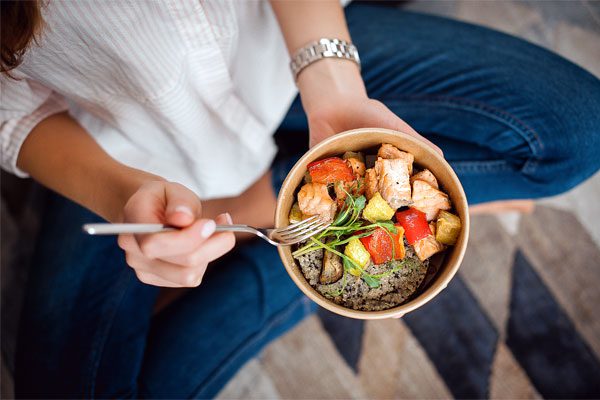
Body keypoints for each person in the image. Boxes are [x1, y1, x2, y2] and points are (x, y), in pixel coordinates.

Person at [1, 0, 599, 398]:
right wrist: (120, 192)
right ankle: (296, 247)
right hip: (125, 146)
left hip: (291, 56)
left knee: (579, 129)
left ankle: (281, 231)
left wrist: (335, 89)